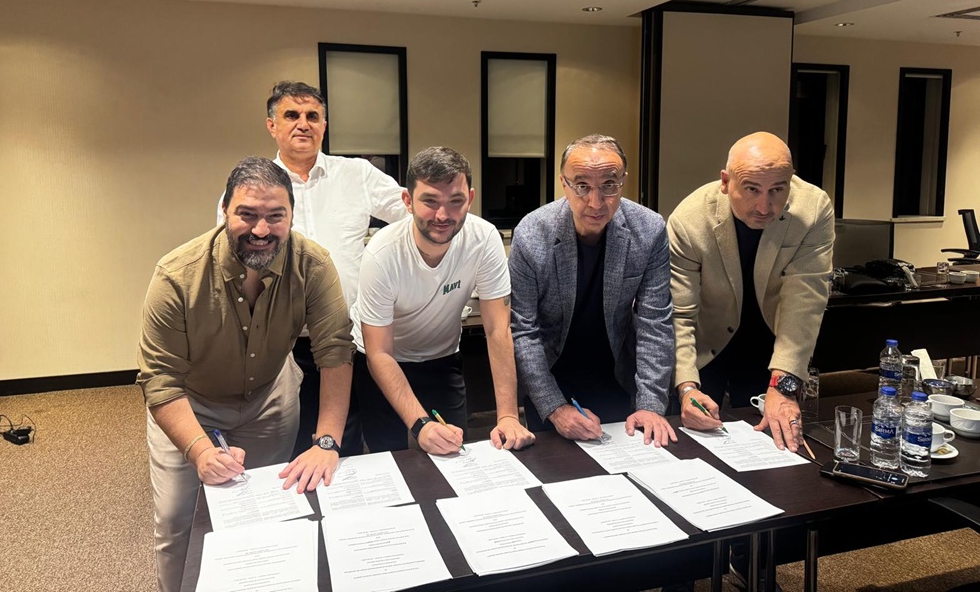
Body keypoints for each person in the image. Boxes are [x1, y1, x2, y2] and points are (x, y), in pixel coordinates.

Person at [142, 156, 354, 592]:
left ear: (291, 214)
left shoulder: (313, 265)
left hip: (270, 399)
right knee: (178, 522)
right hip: (192, 402)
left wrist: (327, 441)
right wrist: (199, 450)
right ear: (224, 210)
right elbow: (160, 378)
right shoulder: (177, 276)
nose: (261, 229)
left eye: (275, 216)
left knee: (266, 510)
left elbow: (335, 351)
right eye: (247, 214)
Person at [667, 132, 833, 592]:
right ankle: (683, 571)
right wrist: (686, 385)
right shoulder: (690, 219)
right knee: (691, 455)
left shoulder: (813, 208)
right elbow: (679, 315)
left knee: (772, 454)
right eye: (752, 190)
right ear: (726, 182)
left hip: (770, 344)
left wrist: (785, 384)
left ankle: (752, 560)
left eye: (778, 189)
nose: (765, 205)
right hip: (706, 344)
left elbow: (805, 300)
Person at [217, 81, 406, 459]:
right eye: (292, 115)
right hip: (288, 344)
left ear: (324, 125)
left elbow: (412, 217)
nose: (303, 124)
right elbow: (231, 259)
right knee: (302, 444)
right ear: (272, 125)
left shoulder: (357, 174)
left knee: (380, 442)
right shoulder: (249, 187)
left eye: (313, 116)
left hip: (359, 336)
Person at [350, 146, 535, 454]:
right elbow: (379, 352)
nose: (443, 215)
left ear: (470, 199)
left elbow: (497, 329)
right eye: (430, 201)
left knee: (453, 450)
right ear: (407, 201)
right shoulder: (382, 254)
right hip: (383, 360)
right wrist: (420, 424)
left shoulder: (483, 239)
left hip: (442, 356)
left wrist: (508, 416)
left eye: (455, 201)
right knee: (390, 454)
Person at [510, 134, 676, 445]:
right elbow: (523, 329)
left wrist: (650, 404)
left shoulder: (649, 229)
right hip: (549, 373)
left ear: (623, 182)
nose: (596, 203)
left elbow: (655, 323)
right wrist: (554, 407)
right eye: (582, 186)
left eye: (609, 185)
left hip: (615, 371)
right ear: (564, 184)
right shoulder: (532, 234)